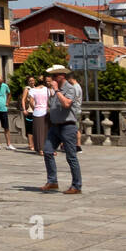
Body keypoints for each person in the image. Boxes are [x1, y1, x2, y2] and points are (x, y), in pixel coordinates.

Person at [41, 64, 83, 194]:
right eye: (51, 76)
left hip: (68, 126)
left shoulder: (70, 89)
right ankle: (52, 181)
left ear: (62, 76)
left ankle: (76, 185)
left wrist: (57, 91)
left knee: (71, 157)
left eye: (54, 76)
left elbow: (66, 104)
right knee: (47, 151)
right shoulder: (55, 89)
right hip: (55, 126)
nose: (52, 78)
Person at [29, 74, 49, 156]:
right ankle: (46, 148)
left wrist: (35, 108)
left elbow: (31, 101)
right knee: (46, 131)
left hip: (37, 111)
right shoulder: (47, 90)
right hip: (45, 111)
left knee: (38, 131)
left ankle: (40, 148)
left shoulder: (33, 90)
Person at [21, 75, 37, 151]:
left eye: (33, 80)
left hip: (36, 111)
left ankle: (35, 143)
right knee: (30, 129)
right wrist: (24, 109)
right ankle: (30, 144)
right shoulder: (27, 89)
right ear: (28, 82)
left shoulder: (36, 88)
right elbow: (23, 99)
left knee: (35, 129)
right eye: (30, 81)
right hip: (29, 111)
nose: (32, 82)